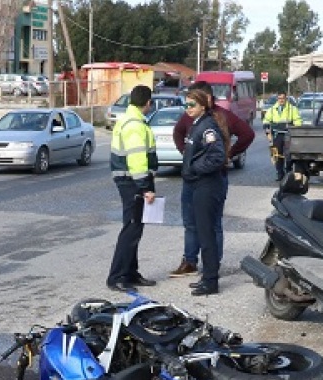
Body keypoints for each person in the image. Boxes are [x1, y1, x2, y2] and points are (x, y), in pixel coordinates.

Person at [169, 79, 255, 278]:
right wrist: (186, 155)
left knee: (213, 224)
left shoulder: (222, 116)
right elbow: (178, 132)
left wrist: (229, 154)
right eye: (188, 102)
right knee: (190, 223)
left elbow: (247, 134)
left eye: (193, 101)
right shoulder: (191, 116)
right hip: (191, 181)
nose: (189, 106)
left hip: (213, 179)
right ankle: (190, 261)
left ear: (206, 98)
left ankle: (212, 265)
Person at [106, 84, 158, 293]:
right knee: (132, 227)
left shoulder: (131, 120)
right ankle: (117, 276)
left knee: (136, 226)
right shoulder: (135, 124)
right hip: (132, 182)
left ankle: (130, 272)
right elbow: (137, 159)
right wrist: (145, 187)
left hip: (130, 180)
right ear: (148, 103)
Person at [180, 87, 228, 296]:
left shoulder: (208, 128)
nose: (188, 109)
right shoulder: (197, 125)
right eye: (186, 104)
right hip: (199, 185)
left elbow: (217, 157)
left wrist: (194, 168)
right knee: (202, 231)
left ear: (202, 106)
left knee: (207, 234)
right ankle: (207, 277)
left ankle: (211, 281)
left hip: (208, 185)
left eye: (192, 105)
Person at [262, 91, 302, 181]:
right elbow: (266, 121)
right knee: (276, 154)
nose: (281, 100)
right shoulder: (272, 110)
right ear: (277, 99)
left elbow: (298, 121)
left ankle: (288, 172)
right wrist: (267, 132)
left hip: (288, 135)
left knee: (288, 155)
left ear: (286, 99)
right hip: (277, 135)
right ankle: (280, 173)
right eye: (279, 98)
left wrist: (295, 128)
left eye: (283, 98)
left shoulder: (292, 109)